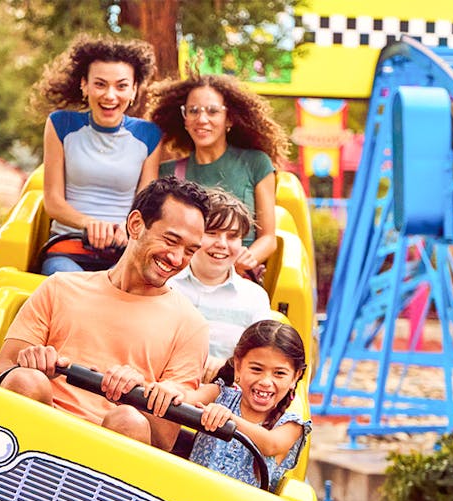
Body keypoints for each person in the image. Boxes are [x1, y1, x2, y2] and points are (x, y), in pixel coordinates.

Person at [0, 176, 211, 450]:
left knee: (127, 420)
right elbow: (3, 369)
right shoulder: (59, 287)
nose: (177, 259)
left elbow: (164, 440)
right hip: (35, 435)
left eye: (189, 251)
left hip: (111, 459)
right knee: (25, 379)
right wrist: (33, 361)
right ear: (136, 225)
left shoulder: (191, 326)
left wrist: (137, 394)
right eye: (170, 241)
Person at [32, 35, 161, 273]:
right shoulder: (61, 124)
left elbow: (146, 203)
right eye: (100, 84)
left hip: (123, 252)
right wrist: (88, 223)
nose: (110, 95)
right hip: (68, 246)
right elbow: (53, 200)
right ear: (84, 85)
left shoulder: (148, 135)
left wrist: (128, 227)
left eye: (121, 86)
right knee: (74, 289)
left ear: (134, 90)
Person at [146, 74, 291, 279]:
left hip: (237, 277)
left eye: (213, 111)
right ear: (184, 119)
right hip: (181, 280)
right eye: (193, 111)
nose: (201, 119)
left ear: (228, 118)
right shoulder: (167, 173)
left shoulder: (255, 163)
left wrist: (245, 259)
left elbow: (268, 238)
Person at [146, 320, 309, 491]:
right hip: (191, 500)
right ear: (238, 367)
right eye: (256, 369)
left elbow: (271, 444)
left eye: (279, 373)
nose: (266, 381)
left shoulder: (291, 425)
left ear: (295, 377)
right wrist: (171, 390)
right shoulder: (220, 394)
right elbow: (187, 398)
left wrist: (230, 419)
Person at [168, 189, 274, 382]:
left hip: (223, 394)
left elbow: (262, 358)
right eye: (212, 233)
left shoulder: (253, 297)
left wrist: (228, 366)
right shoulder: (168, 284)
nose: (222, 244)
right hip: (167, 387)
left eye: (233, 236)